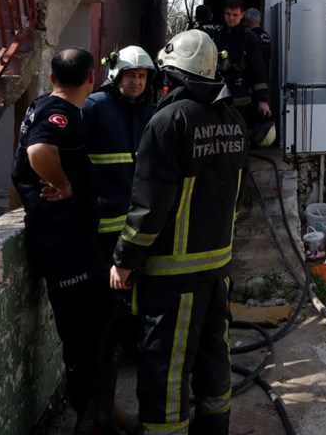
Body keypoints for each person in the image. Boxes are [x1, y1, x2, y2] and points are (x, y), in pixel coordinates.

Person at [109, 30, 247, 435]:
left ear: (175, 73)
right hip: (217, 266)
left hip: (172, 274)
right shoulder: (234, 120)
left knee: (165, 364)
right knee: (213, 354)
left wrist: (124, 258)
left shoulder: (168, 122)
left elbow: (150, 206)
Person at [11, 48, 110, 433]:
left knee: (96, 325)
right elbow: (38, 150)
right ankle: (89, 418)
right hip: (63, 242)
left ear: (52, 78)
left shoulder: (41, 103)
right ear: (91, 79)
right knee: (83, 337)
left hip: (71, 239)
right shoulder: (63, 115)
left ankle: (97, 410)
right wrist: (64, 185)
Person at [82, 45, 156, 433]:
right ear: (115, 74)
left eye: (142, 76)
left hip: (136, 236)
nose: (136, 81)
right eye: (130, 75)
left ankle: (123, 410)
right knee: (105, 327)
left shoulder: (149, 110)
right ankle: (100, 415)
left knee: (134, 319)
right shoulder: (94, 108)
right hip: (101, 238)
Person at [215, 0, 271, 141]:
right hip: (220, 98)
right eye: (228, 14)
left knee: (239, 138)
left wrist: (262, 100)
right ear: (224, 13)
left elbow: (258, 70)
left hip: (242, 102)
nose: (231, 18)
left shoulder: (249, 37)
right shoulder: (218, 36)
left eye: (235, 15)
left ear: (242, 15)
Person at [242, 7, 272, 80]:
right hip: (265, 75)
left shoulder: (249, 36)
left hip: (253, 76)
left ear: (247, 20)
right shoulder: (267, 36)